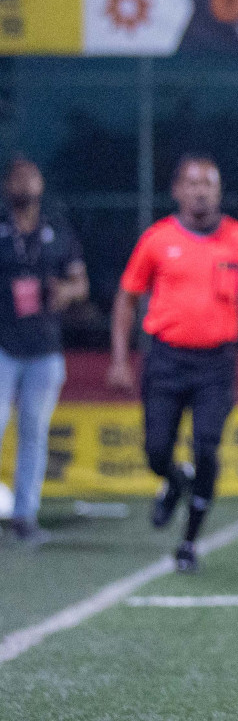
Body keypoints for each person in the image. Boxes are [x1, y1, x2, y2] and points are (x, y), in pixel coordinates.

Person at [107, 156, 238, 572]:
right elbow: (127, 298)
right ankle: (173, 482)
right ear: (177, 190)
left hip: (215, 364)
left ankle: (189, 542)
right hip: (166, 358)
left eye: (208, 183)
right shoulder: (157, 239)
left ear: (219, 191)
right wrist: (119, 357)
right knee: (155, 451)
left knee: (207, 447)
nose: (201, 190)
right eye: (192, 183)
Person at [0, 158, 87, 545]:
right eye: (17, 177)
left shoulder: (57, 230)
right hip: (2, 343)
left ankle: (25, 515)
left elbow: (80, 283)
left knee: (34, 431)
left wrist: (65, 292)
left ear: (42, 183)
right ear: (6, 186)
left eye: (31, 176)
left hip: (45, 347)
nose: (24, 182)